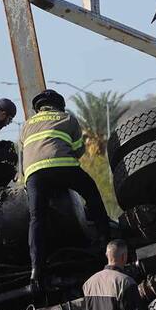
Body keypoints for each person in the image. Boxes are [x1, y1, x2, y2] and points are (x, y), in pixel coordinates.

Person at [21, 89, 112, 289]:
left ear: (39, 108)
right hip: (63, 166)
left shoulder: (26, 125)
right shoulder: (67, 118)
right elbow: (78, 150)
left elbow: (25, 152)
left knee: (37, 219)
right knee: (91, 192)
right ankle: (106, 241)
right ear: (58, 105)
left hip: (34, 174)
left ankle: (36, 270)